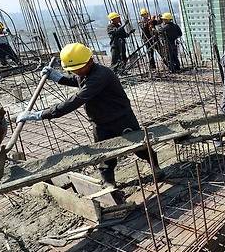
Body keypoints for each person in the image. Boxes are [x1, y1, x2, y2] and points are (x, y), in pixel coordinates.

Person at [15, 43, 162, 187]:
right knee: (104, 155)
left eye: (78, 68)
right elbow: (77, 80)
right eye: (73, 70)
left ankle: (156, 167)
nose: (76, 72)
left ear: (90, 60)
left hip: (121, 118)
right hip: (100, 122)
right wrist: (59, 78)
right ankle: (109, 183)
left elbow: (76, 100)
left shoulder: (101, 75)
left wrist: (41, 114)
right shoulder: (86, 72)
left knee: (139, 146)